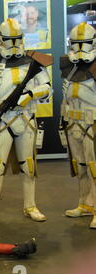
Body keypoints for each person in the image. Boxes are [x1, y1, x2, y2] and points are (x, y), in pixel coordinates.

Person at [0, 19, 53, 227]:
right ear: (0, 40)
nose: (13, 44)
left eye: (16, 40)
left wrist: (29, 94)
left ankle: (30, 205)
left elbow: (47, 88)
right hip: (1, 122)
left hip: (26, 118)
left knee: (28, 166)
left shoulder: (33, 62)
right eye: (9, 40)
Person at [60, 22, 96, 229]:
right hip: (73, 122)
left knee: (94, 168)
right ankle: (85, 203)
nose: (80, 48)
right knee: (80, 166)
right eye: (76, 43)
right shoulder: (69, 67)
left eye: (85, 43)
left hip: (91, 124)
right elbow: (66, 99)